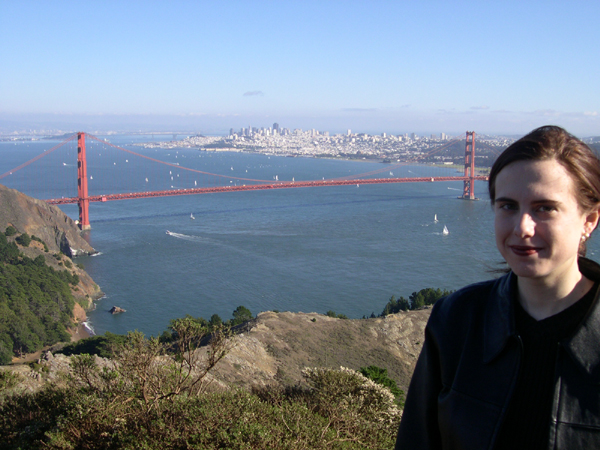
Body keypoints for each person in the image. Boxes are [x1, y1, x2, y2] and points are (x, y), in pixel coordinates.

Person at [395, 125, 600, 450]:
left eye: (545, 208)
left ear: (589, 220)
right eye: (508, 206)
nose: (522, 227)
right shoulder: (457, 320)